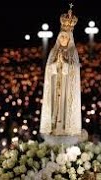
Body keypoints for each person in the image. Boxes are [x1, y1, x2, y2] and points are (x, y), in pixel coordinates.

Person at [40, 5, 81, 136]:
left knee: (64, 107)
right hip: (55, 84)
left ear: (69, 39)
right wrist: (55, 65)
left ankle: (64, 127)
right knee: (55, 107)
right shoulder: (54, 51)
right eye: (62, 37)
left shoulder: (73, 52)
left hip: (66, 86)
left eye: (66, 37)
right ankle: (53, 125)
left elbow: (75, 70)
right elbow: (48, 69)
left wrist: (65, 64)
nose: (64, 39)